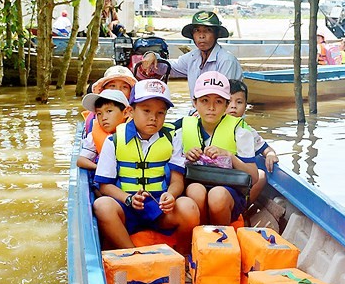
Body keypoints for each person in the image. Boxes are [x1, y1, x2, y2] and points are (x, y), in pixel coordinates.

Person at [92, 79, 199, 252]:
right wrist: (128, 198)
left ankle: (182, 256)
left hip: (158, 206)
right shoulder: (114, 141)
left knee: (189, 207)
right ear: (130, 111)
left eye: (160, 113)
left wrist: (171, 195)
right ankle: (133, 254)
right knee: (102, 205)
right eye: (146, 110)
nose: (153, 118)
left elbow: (177, 180)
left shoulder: (172, 138)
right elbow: (104, 186)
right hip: (126, 206)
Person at [178, 71, 258, 226]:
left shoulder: (240, 132)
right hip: (193, 185)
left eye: (219, 102)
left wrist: (229, 156)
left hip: (229, 190)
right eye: (205, 101)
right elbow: (172, 169)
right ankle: (199, 233)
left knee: (217, 195)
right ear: (195, 103)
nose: (211, 108)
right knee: (196, 191)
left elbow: (254, 177)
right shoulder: (181, 130)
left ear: (227, 105)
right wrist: (186, 157)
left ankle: (219, 236)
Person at [141, 11, 243, 99]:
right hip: (197, 114)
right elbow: (167, 68)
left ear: (216, 35)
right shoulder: (192, 57)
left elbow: (224, 96)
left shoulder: (227, 60)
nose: (201, 36)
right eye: (197, 31)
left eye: (208, 30)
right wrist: (152, 55)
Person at [226, 79, 277, 202]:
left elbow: (265, 148)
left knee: (261, 176)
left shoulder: (247, 130)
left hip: (239, 178)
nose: (233, 106)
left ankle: (241, 210)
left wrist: (270, 154)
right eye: (228, 102)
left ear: (245, 105)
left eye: (239, 102)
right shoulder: (211, 123)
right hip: (217, 176)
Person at [77, 89, 131, 172]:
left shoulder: (137, 132)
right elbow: (81, 161)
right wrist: (100, 168)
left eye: (109, 111)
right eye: (99, 113)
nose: (103, 118)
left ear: (126, 113)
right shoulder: (93, 136)